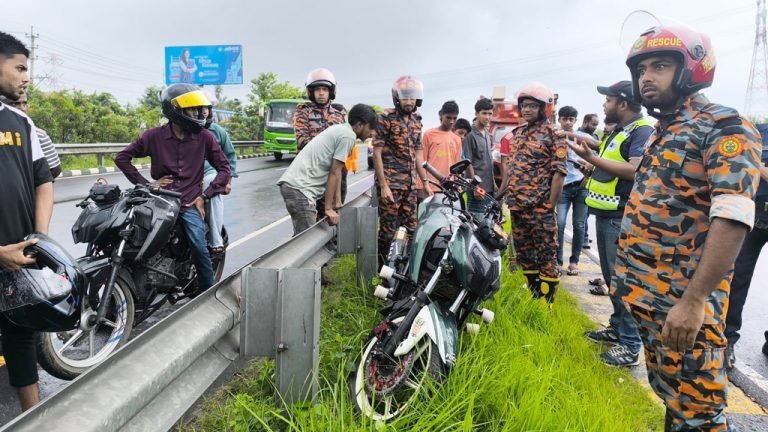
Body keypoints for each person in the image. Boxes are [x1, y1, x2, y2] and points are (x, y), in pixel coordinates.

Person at [615, 22, 761, 431]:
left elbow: (732, 218)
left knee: (699, 417)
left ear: (692, 69)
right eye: (641, 69)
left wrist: (694, 301)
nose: (646, 77)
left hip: (685, 307)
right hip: (651, 300)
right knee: (673, 400)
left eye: (659, 66)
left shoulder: (724, 127)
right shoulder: (665, 129)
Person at [562, 80, 654, 367]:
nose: (604, 104)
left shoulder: (642, 130)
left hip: (622, 216)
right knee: (612, 279)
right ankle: (617, 329)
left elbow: (634, 170)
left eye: (609, 100)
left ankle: (629, 345)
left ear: (623, 103)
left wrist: (593, 159)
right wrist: (588, 163)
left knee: (623, 282)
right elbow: (608, 168)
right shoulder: (620, 132)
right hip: (606, 214)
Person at [116, 83, 230, 292]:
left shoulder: (205, 137)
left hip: (188, 203)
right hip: (159, 201)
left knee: (199, 246)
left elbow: (224, 168)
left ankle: (209, 295)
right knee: (133, 237)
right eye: (192, 109)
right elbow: (122, 158)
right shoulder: (153, 136)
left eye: (198, 109)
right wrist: (146, 184)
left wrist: (205, 195)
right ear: (175, 110)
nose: (198, 113)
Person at [0, 31, 54, 411]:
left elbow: (44, 181)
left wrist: (38, 239)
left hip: (20, 259)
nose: (26, 76)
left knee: (22, 340)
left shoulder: (22, 124)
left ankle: (34, 420)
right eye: (19, 67)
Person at [500, 82, 567, 304]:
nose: (526, 109)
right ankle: (533, 297)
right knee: (525, 255)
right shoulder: (518, 134)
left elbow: (559, 173)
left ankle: (547, 304)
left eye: (531, 106)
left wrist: (550, 204)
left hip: (540, 208)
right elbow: (512, 169)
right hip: (518, 207)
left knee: (546, 256)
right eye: (524, 105)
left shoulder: (554, 135)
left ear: (544, 108)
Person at [278, 104, 377, 235]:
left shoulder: (341, 129)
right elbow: (335, 171)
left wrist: (337, 200)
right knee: (307, 241)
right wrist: (328, 208)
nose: (372, 133)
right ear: (360, 125)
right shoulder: (348, 137)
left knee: (303, 239)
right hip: (300, 189)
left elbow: (337, 170)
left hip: (296, 187)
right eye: (371, 128)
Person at [724, 123, 768, 368]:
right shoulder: (757, 132)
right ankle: (727, 339)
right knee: (736, 277)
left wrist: (756, 165)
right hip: (754, 216)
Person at [373, 76, 430, 263]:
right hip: (391, 184)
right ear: (397, 98)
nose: (409, 101)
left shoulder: (417, 120)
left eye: (412, 97)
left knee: (411, 229)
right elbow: (377, 153)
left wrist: (426, 183)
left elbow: (418, 154)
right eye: (405, 97)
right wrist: (383, 186)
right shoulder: (386, 118)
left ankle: (405, 269)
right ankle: (382, 268)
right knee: (388, 231)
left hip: (410, 185)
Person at [292, 68, 349, 217]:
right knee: (310, 216)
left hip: (335, 171)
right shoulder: (303, 112)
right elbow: (302, 140)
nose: (321, 93)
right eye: (318, 89)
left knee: (334, 214)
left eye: (325, 89)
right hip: (310, 171)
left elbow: (344, 141)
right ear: (312, 92)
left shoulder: (339, 115)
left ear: (331, 91)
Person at [554, 105, 588, 276]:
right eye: (564, 119)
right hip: (563, 187)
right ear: (559, 120)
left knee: (579, 225)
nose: (567, 122)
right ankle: (558, 262)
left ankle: (574, 262)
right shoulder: (554, 137)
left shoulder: (584, 138)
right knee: (559, 224)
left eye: (571, 119)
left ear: (575, 121)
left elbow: (595, 160)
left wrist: (587, 177)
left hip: (581, 187)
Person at [201, 97, 237, 255]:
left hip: (210, 173)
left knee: (212, 185)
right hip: (185, 175)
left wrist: (228, 182)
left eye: (205, 108)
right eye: (197, 108)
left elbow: (230, 156)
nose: (202, 112)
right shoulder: (181, 131)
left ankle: (216, 239)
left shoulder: (217, 131)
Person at [0, 93, 61, 178]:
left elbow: (55, 169)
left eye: (24, 104)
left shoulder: (38, 135)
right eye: (14, 104)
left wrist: (31, 186)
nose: (22, 108)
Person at [416, 100, 462, 200]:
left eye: (454, 118)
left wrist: (457, 185)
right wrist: (422, 186)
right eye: (448, 117)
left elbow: (457, 167)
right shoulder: (429, 135)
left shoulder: (457, 139)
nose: (451, 121)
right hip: (431, 187)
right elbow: (421, 162)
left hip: (448, 189)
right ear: (441, 115)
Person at [463, 98, 496, 221]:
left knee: (488, 225)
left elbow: (487, 162)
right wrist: (475, 187)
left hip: (489, 188)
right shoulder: (470, 135)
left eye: (490, 113)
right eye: (484, 113)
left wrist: (494, 185)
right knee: (476, 224)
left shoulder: (487, 133)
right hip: (477, 190)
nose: (487, 117)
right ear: (476, 113)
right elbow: (468, 162)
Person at [578, 113, 599, 249]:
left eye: (597, 125)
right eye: (593, 124)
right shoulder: (578, 136)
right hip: (576, 177)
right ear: (585, 122)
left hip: (588, 178)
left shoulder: (595, 137)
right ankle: (583, 237)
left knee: (585, 212)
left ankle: (584, 236)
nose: (595, 127)